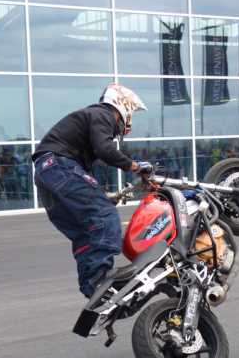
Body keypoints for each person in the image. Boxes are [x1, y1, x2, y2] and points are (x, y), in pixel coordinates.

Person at [32, 83, 151, 298]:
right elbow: (104, 149)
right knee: (104, 215)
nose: (130, 118)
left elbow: (80, 174)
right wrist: (134, 166)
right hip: (58, 165)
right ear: (122, 105)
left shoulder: (90, 118)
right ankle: (100, 278)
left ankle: (93, 290)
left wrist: (101, 194)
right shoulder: (102, 114)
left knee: (85, 232)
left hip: (47, 172)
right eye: (131, 112)